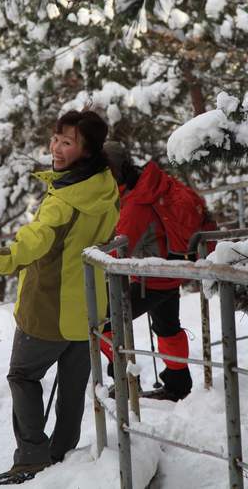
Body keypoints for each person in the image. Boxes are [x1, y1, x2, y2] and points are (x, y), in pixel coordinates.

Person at [0, 110, 119, 486]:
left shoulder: (61, 203)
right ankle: (64, 453)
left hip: (47, 310)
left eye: (67, 142)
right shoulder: (105, 187)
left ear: (86, 151)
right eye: (56, 138)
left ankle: (32, 457)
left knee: (22, 375)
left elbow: (20, 255)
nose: (56, 147)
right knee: (70, 388)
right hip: (88, 309)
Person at [100, 141, 208, 402]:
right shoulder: (150, 183)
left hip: (155, 276)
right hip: (170, 267)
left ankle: (126, 381)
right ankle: (177, 387)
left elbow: (117, 251)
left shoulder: (136, 204)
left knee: (102, 319)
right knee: (168, 327)